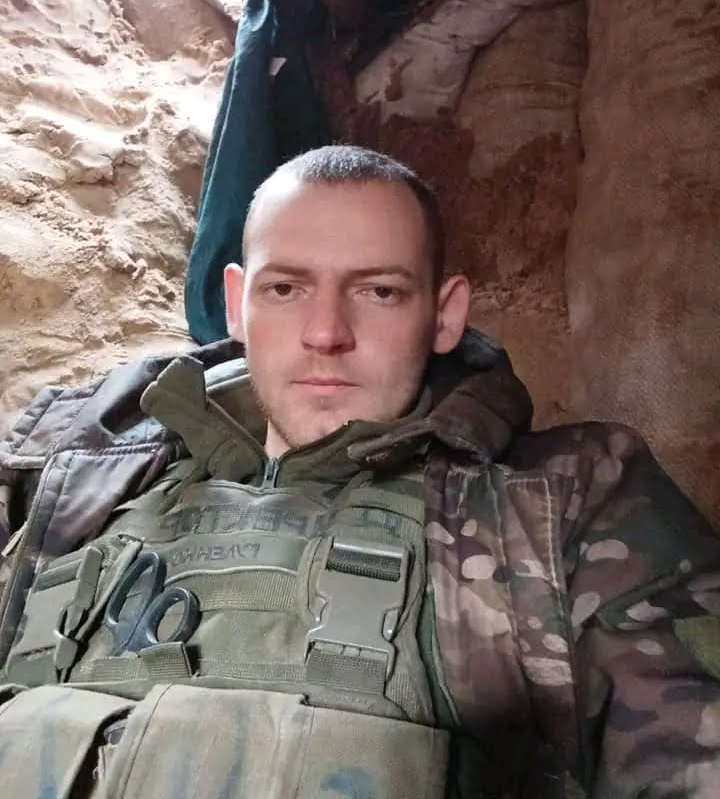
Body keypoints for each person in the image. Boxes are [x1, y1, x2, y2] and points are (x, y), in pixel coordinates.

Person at [0, 145, 718, 798]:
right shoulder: (71, 478)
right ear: (237, 305)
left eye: (378, 292)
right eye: (286, 289)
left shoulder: (570, 501)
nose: (326, 333)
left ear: (444, 315)